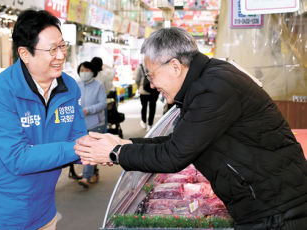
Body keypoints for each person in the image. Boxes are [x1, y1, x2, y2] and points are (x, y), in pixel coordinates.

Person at [74, 27, 307, 229]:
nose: (151, 84)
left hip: (276, 210)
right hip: (268, 204)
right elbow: (178, 141)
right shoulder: (204, 82)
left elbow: (173, 156)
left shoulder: (214, 87)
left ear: (175, 66)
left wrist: (115, 154)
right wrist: (124, 144)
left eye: (151, 75)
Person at [0, 10, 87, 230]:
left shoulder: (69, 87)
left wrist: (103, 148)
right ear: (24, 53)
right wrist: (80, 150)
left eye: (62, 46)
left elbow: (79, 139)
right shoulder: (0, 92)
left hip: (43, 207)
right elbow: (18, 157)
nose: (61, 55)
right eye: (52, 49)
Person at [76, 61, 107, 188]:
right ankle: (92, 173)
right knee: (86, 149)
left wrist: (88, 110)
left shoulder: (98, 85)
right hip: (80, 123)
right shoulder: (76, 85)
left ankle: (86, 177)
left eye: (86, 70)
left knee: (89, 149)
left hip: (95, 122)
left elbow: (103, 104)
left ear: (92, 72)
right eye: (82, 70)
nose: (84, 73)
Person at [135, 63, 160, 131]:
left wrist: (139, 86)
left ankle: (144, 122)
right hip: (154, 91)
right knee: (152, 107)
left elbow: (137, 79)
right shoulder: (156, 65)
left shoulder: (140, 67)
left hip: (143, 91)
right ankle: (150, 124)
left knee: (144, 107)